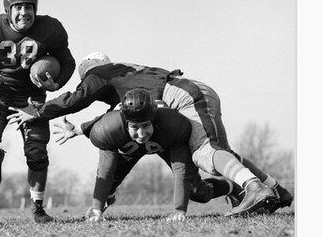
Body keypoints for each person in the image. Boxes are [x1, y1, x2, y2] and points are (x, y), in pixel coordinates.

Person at [8, 51, 292, 216]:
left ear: (88, 74)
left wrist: (38, 111)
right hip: (185, 94)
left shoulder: (101, 74)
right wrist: (81, 130)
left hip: (183, 96)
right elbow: (115, 116)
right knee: (215, 154)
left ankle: (254, 187)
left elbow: (74, 99)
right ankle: (274, 188)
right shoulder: (125, 77)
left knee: (205, 152)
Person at [0, 0, 76, 223]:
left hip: (31, 98)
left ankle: (38, 207)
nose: (24, 12)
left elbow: (68, 63)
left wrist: (57, 85)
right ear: (7, 10)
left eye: (28, 7)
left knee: (37, 153)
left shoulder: (51, 29)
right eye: (18, 7)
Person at [52, 88, 235, 222]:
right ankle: (106, 201)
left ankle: (231, 187)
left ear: (154, 120)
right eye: (134, 127)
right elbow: (105, 172)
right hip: (128, 147)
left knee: (198, 193)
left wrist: (179, 210)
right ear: (124, 123)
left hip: (165, 143)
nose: (141, 134)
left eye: (145, 126)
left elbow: (181, 172)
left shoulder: (172, 125)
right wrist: (96, 209)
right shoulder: (109, 129)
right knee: (105, 188)